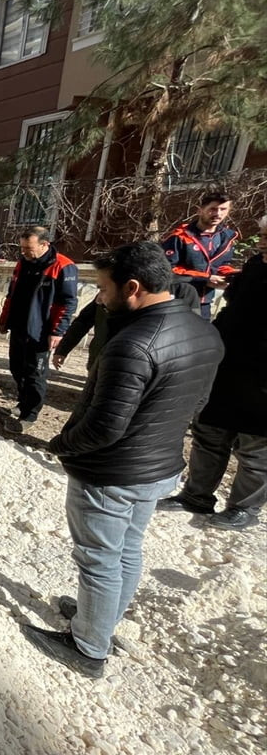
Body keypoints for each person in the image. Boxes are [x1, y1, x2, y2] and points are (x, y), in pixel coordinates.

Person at [23, 241, 223, 679]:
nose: (99, 297)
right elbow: (199, 402)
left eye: (104, 288)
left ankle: (89, 646)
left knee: (98, 559)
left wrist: (59, 445)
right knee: (127, 550)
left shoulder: (133, 344)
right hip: (159, 467)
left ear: (132, 287)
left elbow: (103, 427)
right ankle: (102, 616)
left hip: (111, 474)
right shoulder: (204, 331)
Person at [160, 221, 267, 530]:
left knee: (256, 447)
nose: (261, 242)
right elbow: (233, 307)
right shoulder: (254, 268)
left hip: (263, 381)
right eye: (261, 235)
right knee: (209, 433)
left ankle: (244, 508)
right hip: (228, 366)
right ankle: (196, 495)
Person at [0, 227, 78, 430]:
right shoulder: (23, 263)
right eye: (22, 248)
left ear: (44, 245)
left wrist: (58, 332)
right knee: (17, 368)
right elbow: (11, 293)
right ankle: (22, 403)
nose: (24, 252)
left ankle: (30, 414)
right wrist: (4, 319)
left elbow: (67, 303)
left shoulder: (63, 266)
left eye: (28, 248)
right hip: (19, 326)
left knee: (35, 373)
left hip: (41, 330)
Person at [52, 278, 201, 373]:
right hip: (101, 361)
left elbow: (193, 332)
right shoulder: (112, 289)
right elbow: (83, 321)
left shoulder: (182, 291)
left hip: (150, 368)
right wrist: (63, 349)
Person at [161, 190, 240, 320]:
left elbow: (221, 266)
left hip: (206, 302)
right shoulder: (180, 237)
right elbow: (166, 270)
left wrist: (233, 274)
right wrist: (205, 278)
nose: (218, 213)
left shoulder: (227, 237)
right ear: (200, 210)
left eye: (223, 209)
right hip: (179, 300)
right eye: (213, 209)